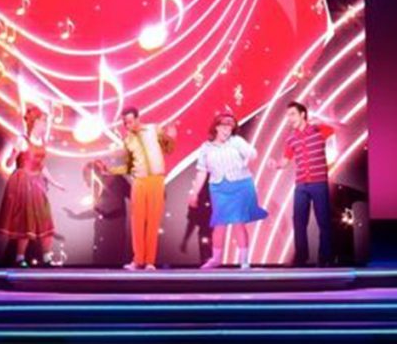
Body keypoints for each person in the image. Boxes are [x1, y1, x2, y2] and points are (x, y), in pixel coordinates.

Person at [94, 106, 176, 270]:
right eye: (125, 123)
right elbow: (129, 167)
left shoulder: (154, 130)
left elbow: (169, 149)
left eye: (130, 121)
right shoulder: (128, 141)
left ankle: (150, 262)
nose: (128, 125)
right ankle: (138, 260)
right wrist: (111, 170)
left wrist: (171, 137)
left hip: (156, 180)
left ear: (138, 119)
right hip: (139, 181)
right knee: (137, 221)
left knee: (153, 221)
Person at [187, 112, 268, 270]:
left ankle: (244, 261)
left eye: (230, 127)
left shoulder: (236, 141)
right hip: (218, 188)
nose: (227, 130)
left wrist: (244, 152)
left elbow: (253, 154)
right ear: (217, 127)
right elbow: (202, 171)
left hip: (240, 185)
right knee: (219, 223)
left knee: (238, 222)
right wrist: (194, 193)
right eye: (224, 126)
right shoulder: (206, 148)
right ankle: (216, 259)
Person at [0, 106, 66, 267]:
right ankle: (20, 258)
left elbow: (41, 166)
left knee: (45, 219)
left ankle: (47, 258)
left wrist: (55, 183)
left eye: (46, 121)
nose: (45, 124)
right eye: (43, 121)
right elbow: (9, 163)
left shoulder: (42, 142)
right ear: (35, 122)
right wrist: (14, 154)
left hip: (37, 183)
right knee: (25, 221)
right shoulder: (22, 140)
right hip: (23, 182)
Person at [268, 101, 334, 266]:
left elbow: (336, 128)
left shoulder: (319, 130)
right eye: (288, 115)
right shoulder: (291, 139)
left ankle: (325, 258)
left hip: (319, 183)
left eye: (292, 114)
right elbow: (285, 161)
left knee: (324, 221)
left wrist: (320, 121)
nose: (289, 118)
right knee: (299, 222)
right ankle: (301, 258)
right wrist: (275, 165)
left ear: (302, 114)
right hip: (301, 185)